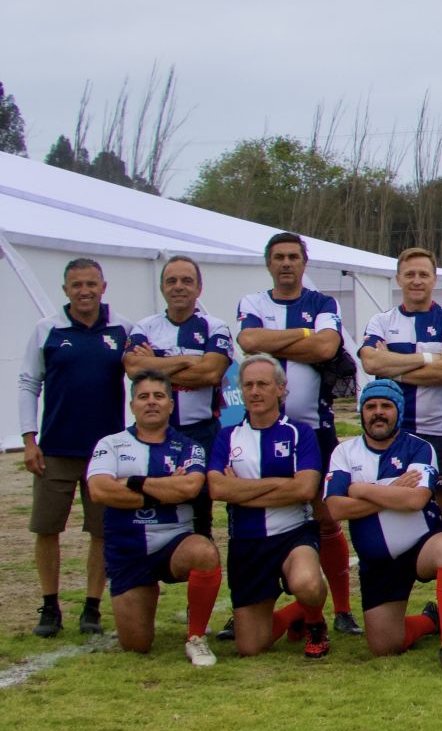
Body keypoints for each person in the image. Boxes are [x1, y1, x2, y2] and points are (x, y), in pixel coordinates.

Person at [235, 233, 355, 635]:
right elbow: (249, 342)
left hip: (314, 430)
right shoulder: (253, 302)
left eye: (293, 257)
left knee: (326, 516)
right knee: (255, 511)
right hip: (261, 432)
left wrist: (275, 347)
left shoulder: (322, 303)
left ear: (304, 263)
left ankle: (342, 609)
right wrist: (304, 336)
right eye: (279, 257)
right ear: (268, 263)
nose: (286, 263)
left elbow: (326, 348)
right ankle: (256, 602)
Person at [323, 380, 442, 672]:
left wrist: (361, 489)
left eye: (386, 406)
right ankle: (431, 620)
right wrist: (392, 489)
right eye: (371, 406)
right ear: (361, 412)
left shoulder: (419, 447)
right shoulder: (344, 452)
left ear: (398, 412)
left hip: (421, 546)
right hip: (378, 562)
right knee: (385, 647)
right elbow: (336, 508)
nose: (378, 412)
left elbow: (416, 499)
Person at [19, 257, 131, 638]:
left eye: (91, 284)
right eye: (77, 285)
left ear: (103, 287)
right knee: (47, 528)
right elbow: (28, 382)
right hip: (55, 448)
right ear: (65, 289)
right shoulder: (47, 330)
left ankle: (92, 607)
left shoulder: (123, 329)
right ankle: (50, 606)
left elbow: (143, 377)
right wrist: (29, 439)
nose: (85, 291)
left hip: (106, 453)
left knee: (102, 531)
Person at [85, 370, 222, 666]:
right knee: (136, 646)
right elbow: (99, 490)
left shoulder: (189, 446)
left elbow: (190, 487)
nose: (151, 402)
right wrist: (164, 489)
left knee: (204, 552)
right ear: (132, 404)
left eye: (159, 396)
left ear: (170, 405)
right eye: (143, 396)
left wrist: (132, 482)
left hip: (174, 542)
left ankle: (196, 637)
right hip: (128, 550)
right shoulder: (110, 444)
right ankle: (144, 593)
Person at [207, 354, 330, 658]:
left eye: (262, 384)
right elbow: (217, 488)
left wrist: (241, 491)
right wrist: (280, 484)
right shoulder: (227, 436)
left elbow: (305, 488)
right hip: (246, 541)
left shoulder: (299, 433)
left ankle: (315, 622)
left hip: (292, 534)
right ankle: (295, 614)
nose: (254, 391)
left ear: (280, 388)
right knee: (250, 647)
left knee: (308, 584)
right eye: (248, 385)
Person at [358, 248, 442, 528]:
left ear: (434, 279)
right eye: (410, 274)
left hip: (437, 430)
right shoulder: (381, 321)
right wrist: (429, 358)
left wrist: (392, 366)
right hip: (392, 432)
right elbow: (371, 362)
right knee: (392, 507)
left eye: (423, 274)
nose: (416, 281)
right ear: (398, 279)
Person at [123, 255, 232, 537]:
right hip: (155, 433)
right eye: (171, 281)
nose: (179, 286)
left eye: (187, 281)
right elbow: (133, 369)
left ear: (199, 288)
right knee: (153, 501)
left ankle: (199, 556)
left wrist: (156, 364)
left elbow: (211, 373)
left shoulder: (215, 326)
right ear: (162, 287)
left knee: (199, 509)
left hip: (200, 432)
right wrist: (187, 360)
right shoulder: (145, 327)